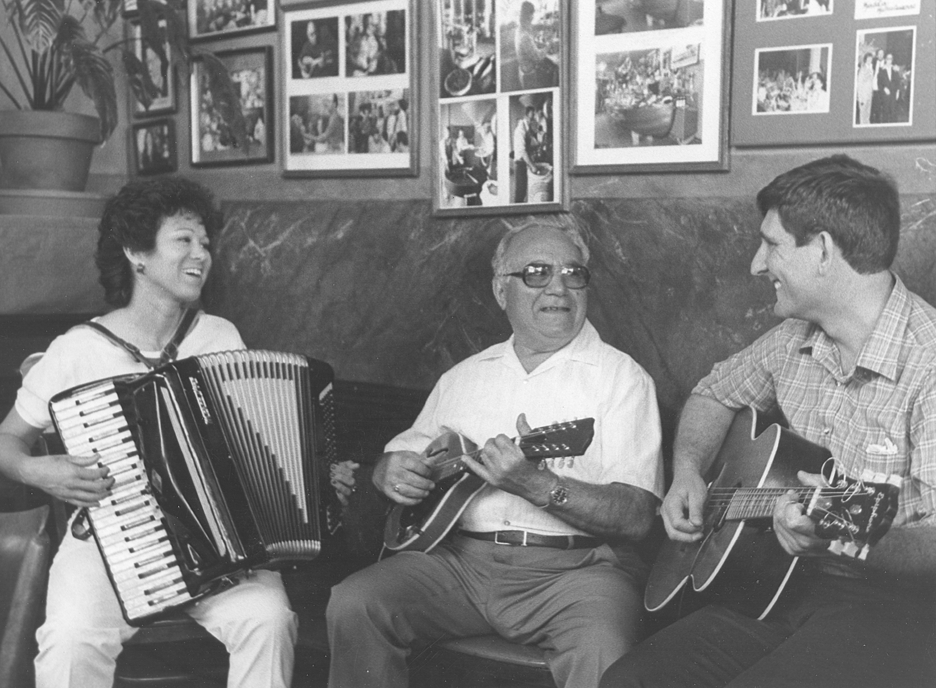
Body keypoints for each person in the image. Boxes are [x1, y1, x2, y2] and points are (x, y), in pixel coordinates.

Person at [0, 177, 357, 688]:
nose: (201, 255)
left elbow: (256, 443)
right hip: (109, 541)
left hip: (219, 543)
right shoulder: (77, 349)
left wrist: (317, 475)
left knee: (268, 620)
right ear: (136, 254)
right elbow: (5, 442)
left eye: (206, 243)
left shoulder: (220, 336)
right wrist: (38, 469)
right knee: (71, 639)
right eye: (183, 241)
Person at [600, 155, 936, 688]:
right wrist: (687, 471)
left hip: (894, 610)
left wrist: (836, 528)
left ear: (823, 251)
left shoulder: (930, 362)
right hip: (785, 585)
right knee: (631, 680)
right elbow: (713, 393)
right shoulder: (791, 340)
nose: (758, 265)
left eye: (772, 245)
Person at [326, 221, 665, 688]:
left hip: (576, 575)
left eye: (573, 273)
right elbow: (406, 451)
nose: (558, 288)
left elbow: (636, 517)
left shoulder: (622, 379)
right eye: (537, 273)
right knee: (355, 602)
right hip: (460, 564)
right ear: (501, 290)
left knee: (604, 646)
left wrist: (539, 486)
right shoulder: (465, 376)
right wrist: (388, 471)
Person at [515, 1, 559, 90]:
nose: (533, 17)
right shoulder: (524, 37)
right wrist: (549, 45)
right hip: (529, 74)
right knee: (554, 69)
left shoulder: (520, 28)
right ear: (528, 15)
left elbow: (533, 26)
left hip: (523, 69)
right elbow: (538, 57)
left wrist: (546, 26)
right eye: (532, 14)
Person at [512, 106, 536, 203]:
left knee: (524, 191)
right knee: (520, 192)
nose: (533, 118)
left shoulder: (527, 128)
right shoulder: (520, 130)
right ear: (526, 116)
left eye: (533, 116)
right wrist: (532, 166)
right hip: (520, 163)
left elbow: (529, 143)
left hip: (524, 162)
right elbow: (522, 151)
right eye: (531, 116)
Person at [876, 53, 899, 124]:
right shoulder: (881, 69)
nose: (889, 60)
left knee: (893, 112)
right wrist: (884, 88)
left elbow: (898, 81)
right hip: (885, 95)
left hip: (893, 94)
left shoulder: (895, 69)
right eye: (888, 58)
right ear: (885, 59)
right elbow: (879, 83)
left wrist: (897, 92)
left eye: (891, 59)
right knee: (885, 113)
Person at [856, 52, 875, 125]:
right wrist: (860, 98)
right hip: (863, 96)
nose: (869, 60)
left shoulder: (871, 68)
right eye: (868, 58)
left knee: (868, 114)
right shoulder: (862, 69)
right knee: (862, 115)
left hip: (869, 95)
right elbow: (860, 84)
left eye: (871, 58)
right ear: (865, 59)